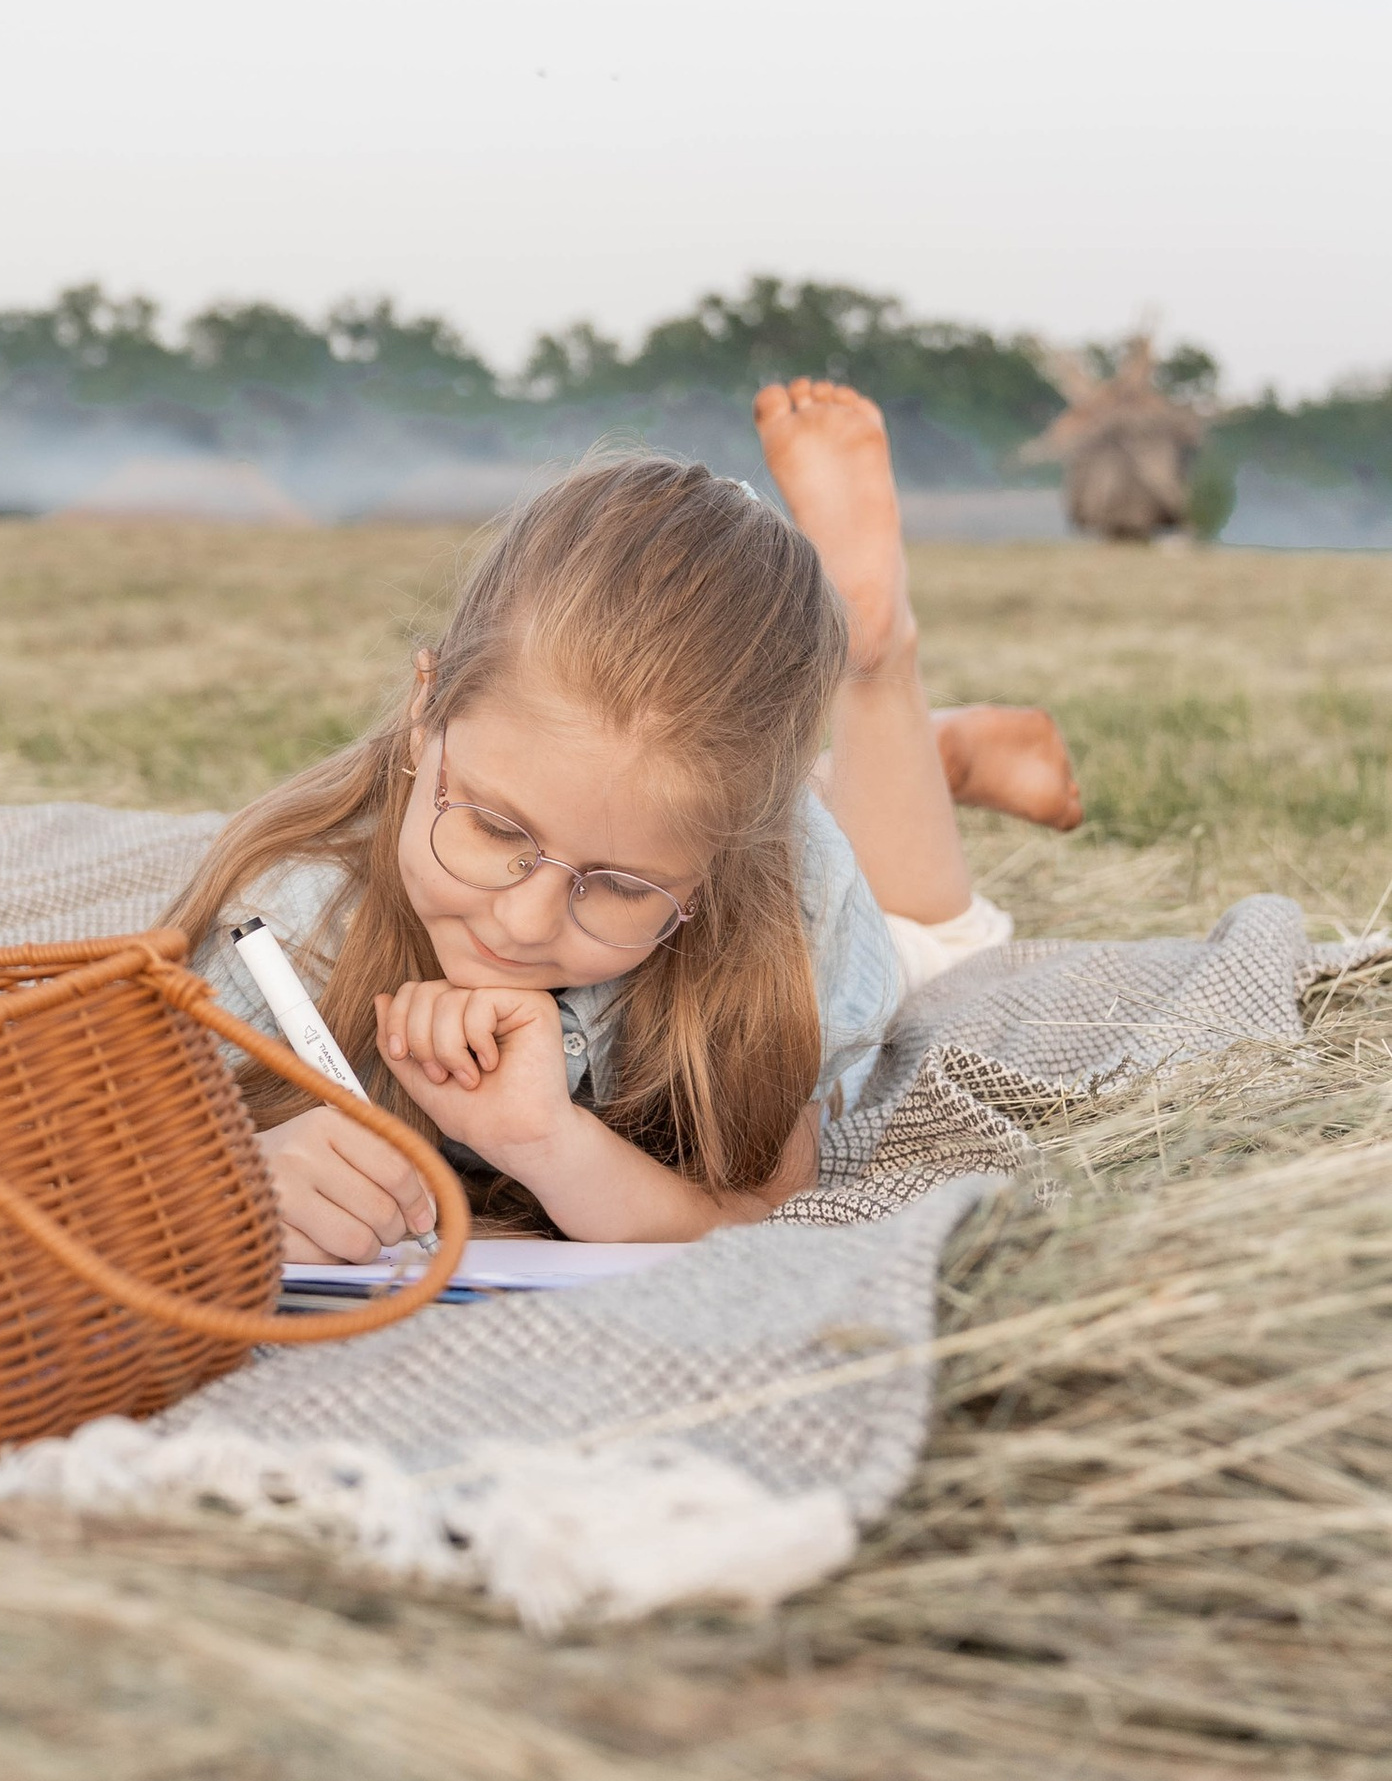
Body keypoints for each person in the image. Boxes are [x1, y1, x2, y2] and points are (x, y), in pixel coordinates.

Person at [173, 382, 1080, 1260]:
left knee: (935, 941)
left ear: (721, 870)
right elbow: (127, 1163)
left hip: (779, 853)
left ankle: (877, 662)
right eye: (495, 830)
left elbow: (763, 1210)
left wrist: (551, 1145)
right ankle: (911, 748)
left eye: (620, 886)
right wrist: (239, 1181)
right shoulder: (292, 924)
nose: (525, 923)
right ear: (426, 707)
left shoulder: (786, 912)